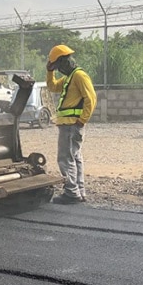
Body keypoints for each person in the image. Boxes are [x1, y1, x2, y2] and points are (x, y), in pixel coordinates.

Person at [46, 44, 97, 204]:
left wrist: (82, 120)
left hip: (71, 124)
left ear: (63, 62)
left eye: (57, 66)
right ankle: (79, 191)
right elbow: (53, 87)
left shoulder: (79, 76)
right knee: (75, 158)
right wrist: (49, 72)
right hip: (69, 124)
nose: (58, 69)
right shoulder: (69, 77)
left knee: (65, 158)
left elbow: (91, 98)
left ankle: (71, 192)